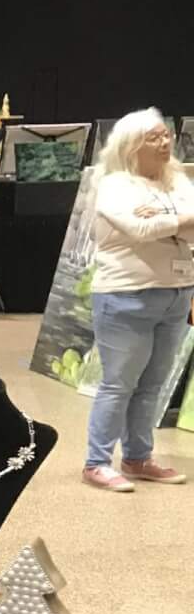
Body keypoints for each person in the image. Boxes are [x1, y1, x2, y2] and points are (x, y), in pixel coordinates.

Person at [81, 107, 194, 491]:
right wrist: (180, 220)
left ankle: (137, 457)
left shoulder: (177, 181)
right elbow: (139, 228)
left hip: (176, 294)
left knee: (152, 385)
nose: (165, 143)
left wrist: (165, 217)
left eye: (166, 136)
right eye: (154, 138)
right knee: (119, 383)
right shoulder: (113, 184)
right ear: (131, 146)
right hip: (125, 296)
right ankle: (96, 462)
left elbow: (157, 226)